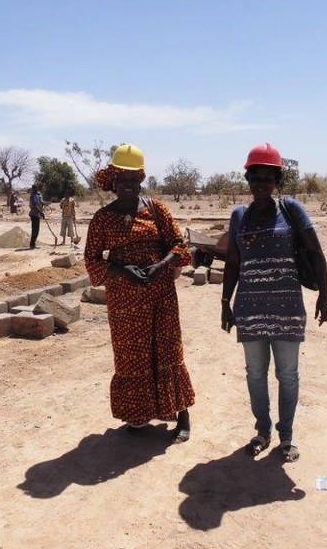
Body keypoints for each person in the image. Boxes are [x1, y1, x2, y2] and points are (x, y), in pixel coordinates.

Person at [221, 143, 327, 463]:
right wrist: (225, 302)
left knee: (288, 375)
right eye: (254, 177)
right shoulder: (239, 216)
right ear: (247, 179)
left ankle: (286, 436)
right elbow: (232, 263)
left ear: (276, 180)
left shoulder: (291, 209)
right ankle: (262, 431)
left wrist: (324, 294)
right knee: (255, 374)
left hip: (287, 308)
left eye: (267, 178)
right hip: (250, 310)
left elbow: (315, 252)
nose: (260, 183)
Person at [84, 144, 195, 443]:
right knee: (131, 355)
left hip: (161, 296)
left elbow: (180, 245)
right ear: (113, 182)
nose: (128, 185)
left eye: (134, 179)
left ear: (141, 180)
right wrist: (122, 270)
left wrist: (162, 265)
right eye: (122, 179)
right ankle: (138, 415)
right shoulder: (102, 219)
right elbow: (92, 260)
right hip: (124, 302)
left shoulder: (156, 209)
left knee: (169, 351)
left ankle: (182, 415)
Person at [28, 184, 45, 249]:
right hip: (34, 214)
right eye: (34, 188)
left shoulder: (37, 195)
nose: (36, 189)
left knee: (36, 230)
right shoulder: (33, 196)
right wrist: (41, 213)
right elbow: (35, 205)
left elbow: (39, 204)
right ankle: (32, 244)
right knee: (35, 230)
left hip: (36, 214)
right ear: (33, 189)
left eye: (36, 188)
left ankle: (33, 244)